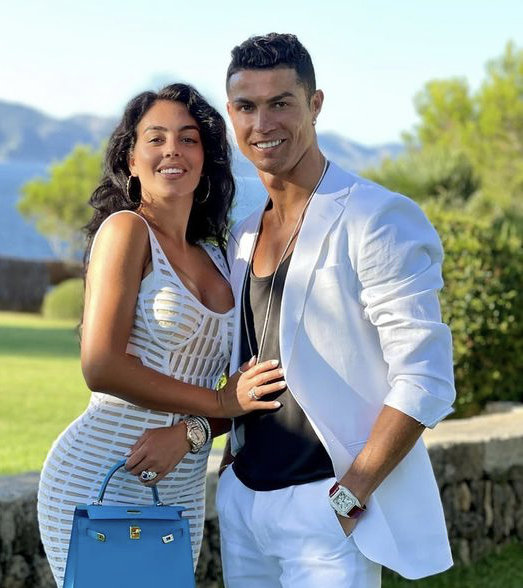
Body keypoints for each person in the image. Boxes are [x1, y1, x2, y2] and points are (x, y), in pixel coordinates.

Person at [215, 33, 456, 587]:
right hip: (243, 502)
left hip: (327, 507)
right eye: (247, 107)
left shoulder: (377, 217)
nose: (262, 123)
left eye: (281, 103)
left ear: (315, 104)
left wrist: (352, 493)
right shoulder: (243, 235)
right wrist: (229, 469)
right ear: (231, 114)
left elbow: (425, 378)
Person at [37, 83, 283, 587]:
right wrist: (217, 403)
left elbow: (243, 396)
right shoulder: (126, 231)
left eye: (188, 139)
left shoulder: (220, 256)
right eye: (156, 138)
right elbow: (101, 366)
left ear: (205, 160)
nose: (173, 149)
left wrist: (192, 431)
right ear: (131, 160)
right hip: (100, 477)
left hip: (180, 491)